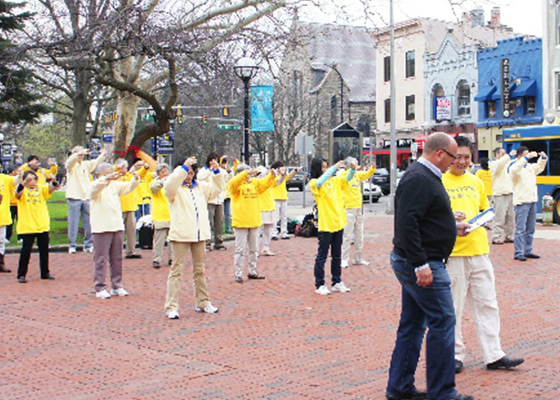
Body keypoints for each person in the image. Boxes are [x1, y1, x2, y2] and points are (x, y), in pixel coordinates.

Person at [387, 132, 473, 400]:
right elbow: (407, 224)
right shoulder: (420, 178)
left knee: (413, 323)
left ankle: (400, 386)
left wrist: (451, 227)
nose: (454, 162)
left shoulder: (423, 177)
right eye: (453, 156)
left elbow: (422, 218)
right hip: (422, 263)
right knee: (443, 320)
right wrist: (420, 264)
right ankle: (442, 391)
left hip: (418, 260)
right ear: (439, 154)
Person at [443, 136, 524, 375]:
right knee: (453, 308)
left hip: (479, 250)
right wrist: (450, 218)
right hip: (453, 253)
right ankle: (454, 355)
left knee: (487, 304)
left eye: (467, 157)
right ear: (449, 155)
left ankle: (494, 353)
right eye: (458, 156)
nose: (462, 161)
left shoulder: (476, 181)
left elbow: (482, 209)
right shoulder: (438, 181)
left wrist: (485, 218)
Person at [163, 157, 224, 319]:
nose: (188, 176)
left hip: (199, 235)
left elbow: (217, 189)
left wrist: (217, 172)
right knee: (176, 271)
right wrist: (182, 168)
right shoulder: (174, 189)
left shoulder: (200, 187)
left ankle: (203, 302)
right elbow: (169, 186)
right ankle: (171, 306)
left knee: (200, 271)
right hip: (181, 235)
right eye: (185, 172)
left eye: (191, 173)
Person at [90, 163, 140, 299]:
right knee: (101, 259)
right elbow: (95, 189)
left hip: (116, 226)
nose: (109, 176)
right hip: (101, 228)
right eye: (105, 173)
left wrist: (135, 178)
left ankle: (117, 285)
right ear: (98, 174)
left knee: (116, 258)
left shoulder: (114, 186)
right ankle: (100, 287)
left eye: (110, 173)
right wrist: (105, 179)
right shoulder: (94, 186)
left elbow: (127, 188)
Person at [309, 157, 355, 295]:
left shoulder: (334, 180)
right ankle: (320, 283)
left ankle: (337, 281)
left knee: (337, 255)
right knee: (322, 255)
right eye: (323, 167)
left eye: (326, 166)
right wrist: (333, 168)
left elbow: (347, 179)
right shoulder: (314, 183)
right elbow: (320, 181)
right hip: (326, 223)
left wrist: (352, 168)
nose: (326, 169)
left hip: (338, 222)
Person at [229, 163, 275, 283]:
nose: (249, 176)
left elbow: (264, 184)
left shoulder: (254, 183)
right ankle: (238, 273)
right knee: (240, 249)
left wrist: (271, 175)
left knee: (254, 249)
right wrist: (245, 174)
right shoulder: (236, 186)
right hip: (241, 221)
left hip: (254, 220)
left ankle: (252, 271)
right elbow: (233, 183)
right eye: (246, 173)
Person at [15, 171, 59, 283]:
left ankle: (45, 272)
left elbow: (51, 188)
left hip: (42, 224)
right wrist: (24, 182)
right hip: (28, 225)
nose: (33, 181)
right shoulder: (23, 189)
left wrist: (53, 180)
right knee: (26, 251)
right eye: (30, 179)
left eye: (34, 178)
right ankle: (21, 274)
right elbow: (17, 193)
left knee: (44, 250)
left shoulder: (40, 188)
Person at [509, 146, 548, 261]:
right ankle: (518, 252)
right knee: (520, 228)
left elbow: (539, 167)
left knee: (530, 228)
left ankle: (528, 250)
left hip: (532, 200)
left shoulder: (530, 167)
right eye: (526, 154)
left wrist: (543, 158)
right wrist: (526, 157)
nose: (529, 156)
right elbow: (514, 169)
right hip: (522, 202)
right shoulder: (514, 167)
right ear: (520, 156)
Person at [65, 146, 107, 254]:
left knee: (89, 222)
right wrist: (77, 154)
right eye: (80, 154)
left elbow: (96, 162)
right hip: (74, 196)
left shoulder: (85, 164)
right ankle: (72, 245)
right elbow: (70, 161)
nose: (81, 156)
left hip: (86, 196)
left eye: (83, 155)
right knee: (73, 222)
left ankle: (88, 244)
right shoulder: (70, 165)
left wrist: (102, 154)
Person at [340, 158, 375, 268]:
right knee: (347, 235)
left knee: (359, 233)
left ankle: (358, 258)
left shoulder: (357, 175)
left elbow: (366, 174)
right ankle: (344, 259)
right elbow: (345, 179)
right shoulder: (343, 175)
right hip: (348, 208)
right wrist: (352, 169)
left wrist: (372, 168)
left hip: (358, 207)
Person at [198, 153, 227, 251]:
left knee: (219, 222)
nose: (213, 162)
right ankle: (207, 243)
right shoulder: (204, 170)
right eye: (212, 160)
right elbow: (200, 177)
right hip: (209, 199)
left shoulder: (221, 171)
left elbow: (226, 179)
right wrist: (211, 170)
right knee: (209, 222)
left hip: (219, 199)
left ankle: (219, 242)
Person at [489, 148, 516, 245]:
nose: (504, 155)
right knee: (499, 217)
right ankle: (496, 237)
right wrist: (508, 156)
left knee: (511, 217)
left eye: (505, 154)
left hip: (510, 192)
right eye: (502, 153)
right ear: (497, 154)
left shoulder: (507, 163)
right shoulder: (493, 163)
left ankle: (509, 236)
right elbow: (499, 166)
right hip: (499, 194)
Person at [115, 159, 142, 259]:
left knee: (131, 231)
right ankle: (116, 251)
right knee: (118, 232)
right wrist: (117, 169)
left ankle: (131, 251)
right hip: (119, 207)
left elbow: (138, 177)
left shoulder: (129, 176)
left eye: (125, 167)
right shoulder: (115, 176)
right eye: (122, 167)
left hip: (130, 206)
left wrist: (135, 168)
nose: (124, 169)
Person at [150, 163, 172, 269]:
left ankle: (172, 258)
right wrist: (163, 181)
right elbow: (154, 188)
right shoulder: (154, 183)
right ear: (158, 174)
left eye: (167, 171)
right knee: (159, 239)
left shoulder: (171, 183)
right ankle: (156, 259)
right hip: (160, 215)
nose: (166, 174)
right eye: (163, 172)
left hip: (171, 214)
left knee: (173, 239)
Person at [256, 166, 282, 256]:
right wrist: (267, 173)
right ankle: (255, 250)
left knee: (268, 231)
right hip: (260, 208)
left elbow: (279, 182)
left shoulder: (270, 182)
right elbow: (260, 177)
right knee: (258, 231)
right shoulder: (257, 183)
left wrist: (282, 175)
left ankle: (265, 248)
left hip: (270, 207)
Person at [270, 161, 299, 240]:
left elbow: (288, 177)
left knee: (284, 216)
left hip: (283, 197)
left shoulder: (283, 175)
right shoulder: (273, 176)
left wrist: (294, 171)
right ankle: (273, 233)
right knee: (275, 217)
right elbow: (277, 181)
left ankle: (284, 232)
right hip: (275, 198)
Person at [0, 168, 17, 272]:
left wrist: (20, 175)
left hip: (2, 215)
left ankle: (1, 262)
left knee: (1, 240)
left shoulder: (4, 178)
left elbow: (15, 181)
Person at [220, 156, 234, 234]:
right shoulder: (218, 171)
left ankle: (228, 228)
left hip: (227, 194)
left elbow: (232, 178)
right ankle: (218, 229)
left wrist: (229, 171)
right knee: (219, 213)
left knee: (227, 213)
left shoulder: (228, 172)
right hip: (220, 194)